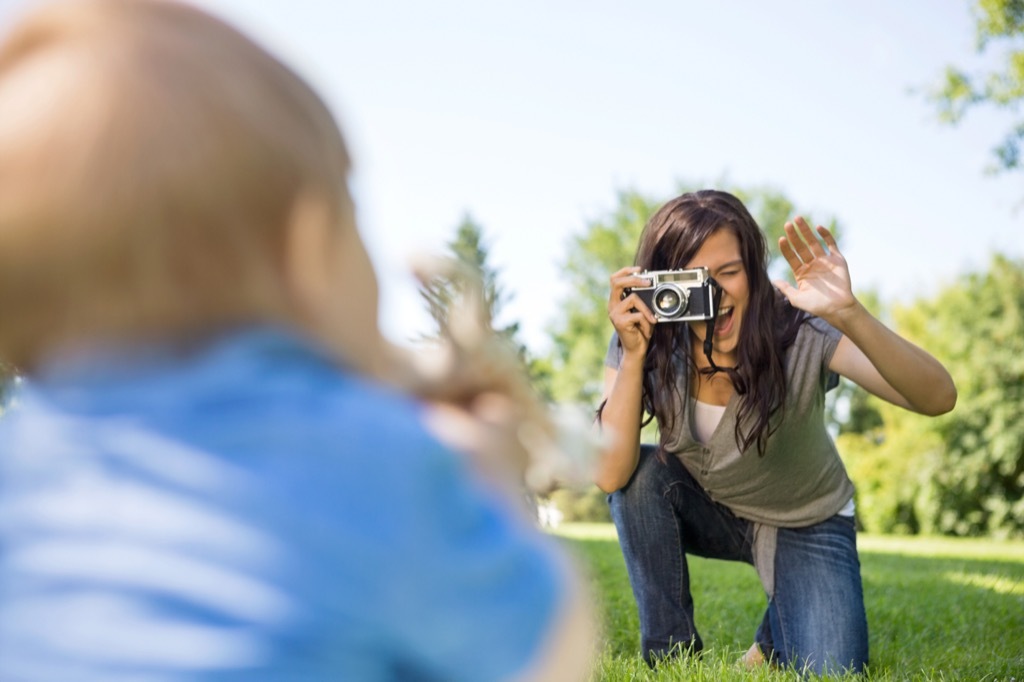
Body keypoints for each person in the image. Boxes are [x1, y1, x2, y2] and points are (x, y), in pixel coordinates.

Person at [0, 1, 595, 680]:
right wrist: (488, 482)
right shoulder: (380, 460)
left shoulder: (20, 472)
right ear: (308, 249)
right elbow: (548, 654)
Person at [597, 190, 956, 674]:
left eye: (730, 272)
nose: (716, 295)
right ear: (663, 281)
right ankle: (671, 655)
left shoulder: (798, 328)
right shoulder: (647, 336)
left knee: (832, 668)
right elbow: (608, 473)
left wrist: (848, 313)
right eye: (696, 280)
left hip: (803, 517)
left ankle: (777, 630)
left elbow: (938, 398)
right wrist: (634, 355)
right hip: (714, 504)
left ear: (754, 268)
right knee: (639, 478)